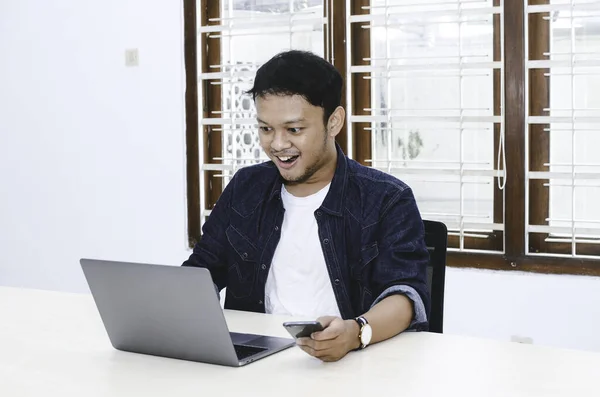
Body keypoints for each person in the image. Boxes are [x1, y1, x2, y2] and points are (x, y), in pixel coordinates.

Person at [183, 50, 430, 362]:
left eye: (294, 129)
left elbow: (405, 295)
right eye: (265, 128)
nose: (277, 144)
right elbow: (201, 272)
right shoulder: (246, 187)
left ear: (334, 122)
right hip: (256, 363)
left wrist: (356, 332)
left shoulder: (386, 198)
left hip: (351, 363)